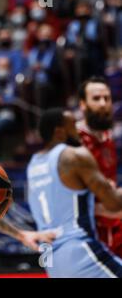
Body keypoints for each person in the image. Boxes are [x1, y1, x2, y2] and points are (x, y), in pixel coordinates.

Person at [27, 108, 122, 277]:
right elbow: (113, 203)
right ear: (59, 132)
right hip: (78, 251)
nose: (78, 129)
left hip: (51, 262)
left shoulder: (33, 164)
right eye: (72, 125)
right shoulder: (73, 156)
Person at [76, 77, 122, 258]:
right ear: (83, 104)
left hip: (111, 222)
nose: (103, 103)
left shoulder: (107, 137)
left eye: (107, 98)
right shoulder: (74, 142)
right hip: (88, 230)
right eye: (96, 99)